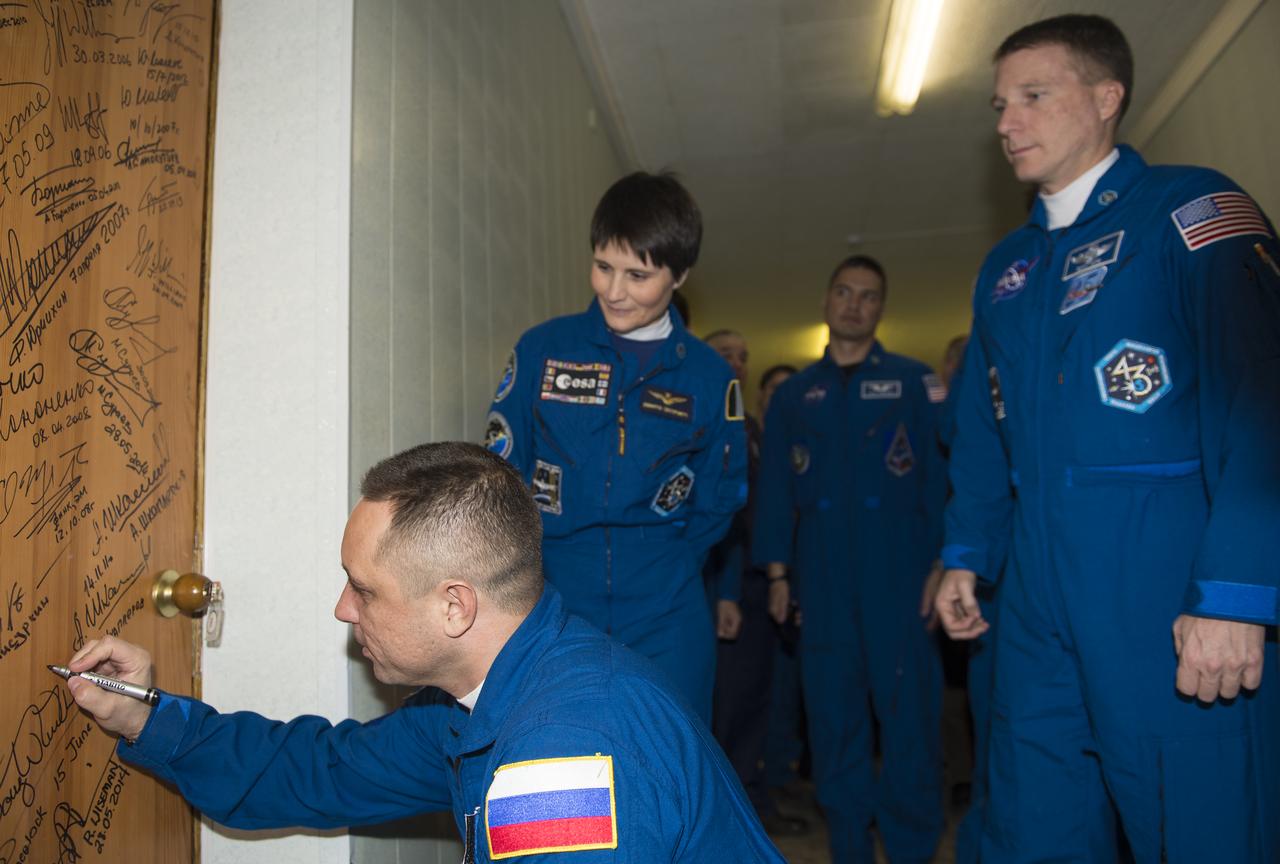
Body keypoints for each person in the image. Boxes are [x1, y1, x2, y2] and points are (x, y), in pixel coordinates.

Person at [63, 443, 785, 862]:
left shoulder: (562, 757)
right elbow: (319, 770)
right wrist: (144, 718)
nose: (343, 609)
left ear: (454, 606)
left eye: (363, 590)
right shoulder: (487, 693)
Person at [935, 14, 1280, 862]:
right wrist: (966, 550)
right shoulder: (1006, 271)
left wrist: (1237, 591)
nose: (1006, 122)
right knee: (1034, 821)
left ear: (1106, 97)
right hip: (1037, 602)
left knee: (1197, 822)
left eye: (1033, 96)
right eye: (999, 104)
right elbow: (985, 427)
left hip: (1164, 590)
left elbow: (1264, 402)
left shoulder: (1192, 211)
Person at [483, 171, 746, 722]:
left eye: (638, 275)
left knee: (672, 759)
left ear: (681, 275)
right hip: (551, 596)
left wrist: (660, 558)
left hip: (665, 605)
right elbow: (503, 471)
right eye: (603, 267)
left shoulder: (708, 377)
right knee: (555, 757)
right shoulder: (543, 350)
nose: (614, 291)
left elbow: (721, 497)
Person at [754, 255, 949, 863]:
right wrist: (779, 574)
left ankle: (913, 846)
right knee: (835, 722)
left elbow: (945, 479)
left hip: (904, 575)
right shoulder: (793, 396)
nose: (854, 304)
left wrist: (946, 564)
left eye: (868, 296)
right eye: (844, 292)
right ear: (826, 301)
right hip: (823, 580)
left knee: (910, 723)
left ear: (880, 309)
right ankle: (849, 847)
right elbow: (776, 494)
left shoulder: (917, 384)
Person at [702, 330, 807, 837]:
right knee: (729, 704)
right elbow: (723, 520)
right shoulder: (703, 424)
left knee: (758, 702)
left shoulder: (753, 429)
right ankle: (728, 816)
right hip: (727, 583)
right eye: (727, 355)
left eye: (744, 356)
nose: (739, 364)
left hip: (760, 584)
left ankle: (753, 805)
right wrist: (725, 590)